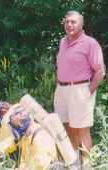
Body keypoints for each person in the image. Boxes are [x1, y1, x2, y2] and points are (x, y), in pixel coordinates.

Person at [54, 10, 105, 170]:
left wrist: (87, 92)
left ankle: (87, 167)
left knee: (82, 131)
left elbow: (100, 71)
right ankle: (74, 164)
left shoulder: (90, 43)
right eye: (67, 22)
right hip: (62, 89)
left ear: (81, 25)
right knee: (68, 128)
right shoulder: (63, 42)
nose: (69, 25)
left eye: (73, 22)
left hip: (80, 89)